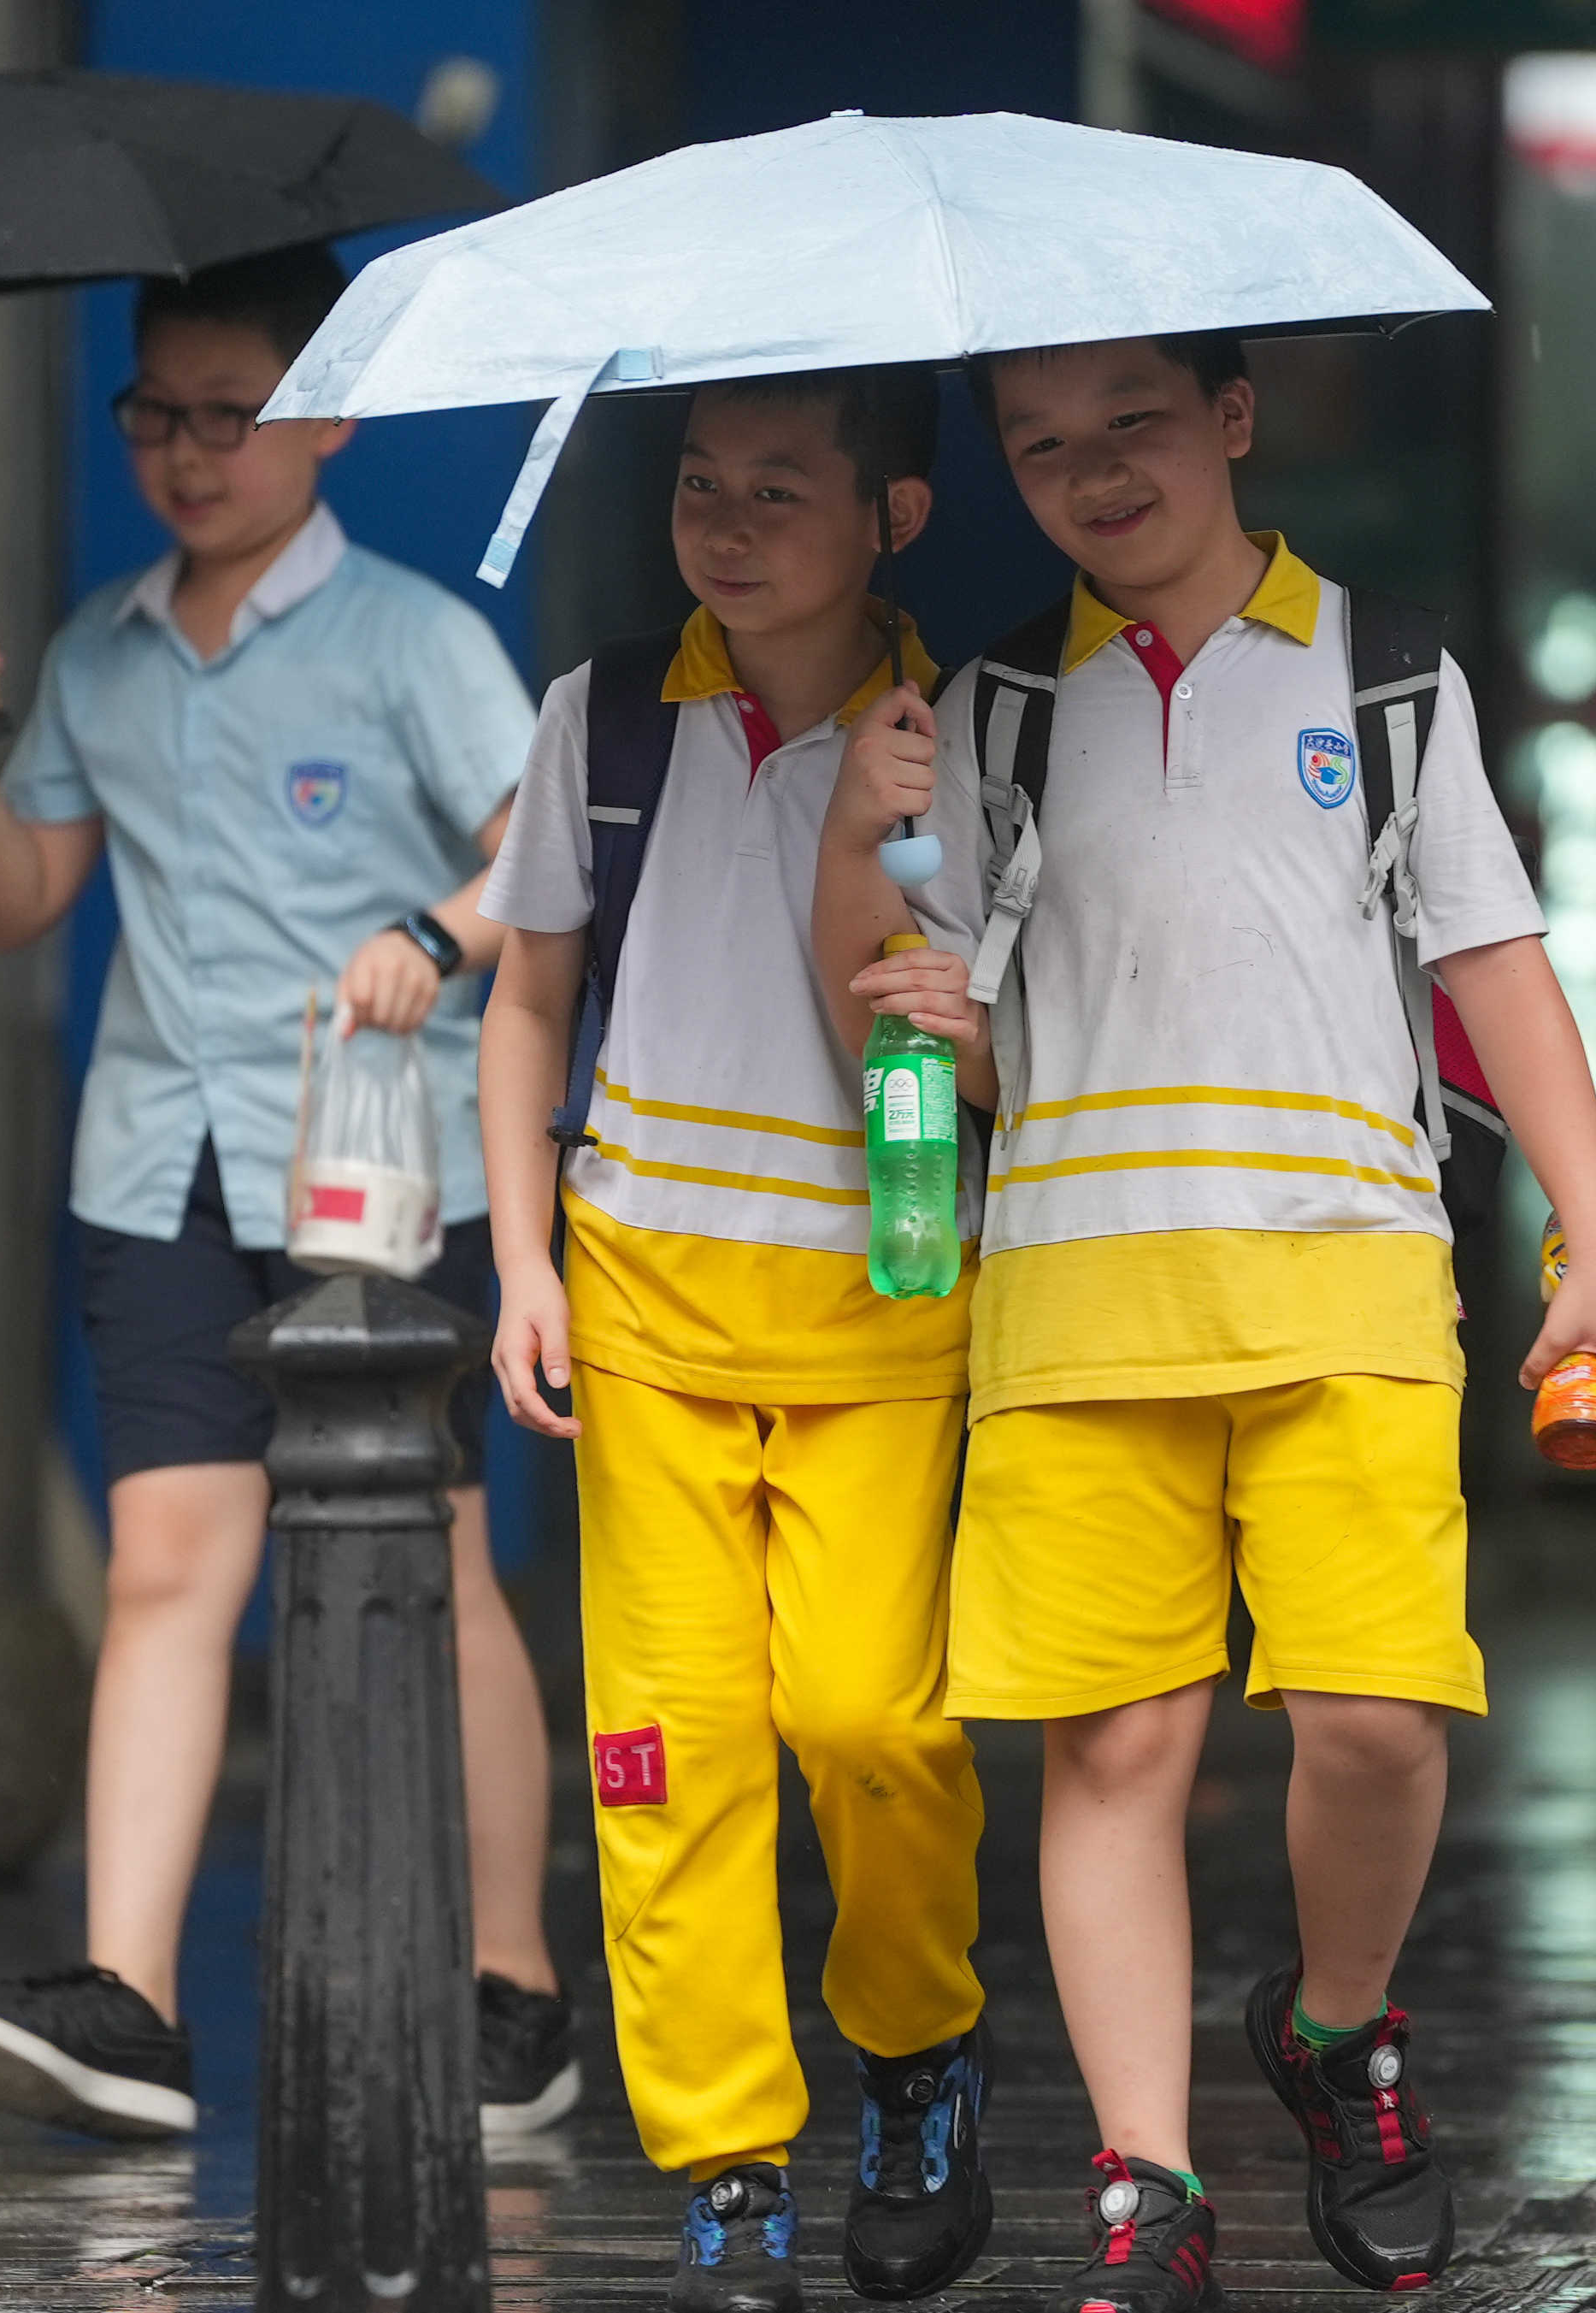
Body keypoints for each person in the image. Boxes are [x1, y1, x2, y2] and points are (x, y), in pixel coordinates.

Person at [817, 333, 1596, 2313]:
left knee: (1373, 1720)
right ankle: (1151, 2186)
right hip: (1076, 1303)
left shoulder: (1383, 677)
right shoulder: (986, 711)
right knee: (1116, 1755)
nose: (1094, 474)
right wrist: (904, 978)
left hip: (1350, 1276)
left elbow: (1500, 969)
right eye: (1043, 447)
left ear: (1232, 420)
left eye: (1134, 427)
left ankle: (1339, 2028)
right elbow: (897, 1026)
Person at [0, 245, 575, 2144]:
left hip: (376, 1156)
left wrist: (430, 940)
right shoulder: (103, 648)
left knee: (432, 1566)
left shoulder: (410, 641)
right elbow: (15, 896)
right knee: (166, 1569)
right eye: (157, 418)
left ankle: (513, 1985)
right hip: (160, 1168)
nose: (191, 456)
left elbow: (545, 848)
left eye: (234, 416)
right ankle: (125, 1997)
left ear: (328, 419)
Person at [479, 366, 994, 2313]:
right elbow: (529, 1007)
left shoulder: (967, 745)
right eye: (705, 482)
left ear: (895, 519)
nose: (729, 522)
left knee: (874, 1726)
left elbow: (948, 1077)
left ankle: (918, 2045)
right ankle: (725, 2166)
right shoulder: (605, 720)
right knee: (662, 1755)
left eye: (784, 487)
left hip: (883, 1317)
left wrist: (882, 841)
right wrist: (525, 1261)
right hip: (644, 1309)